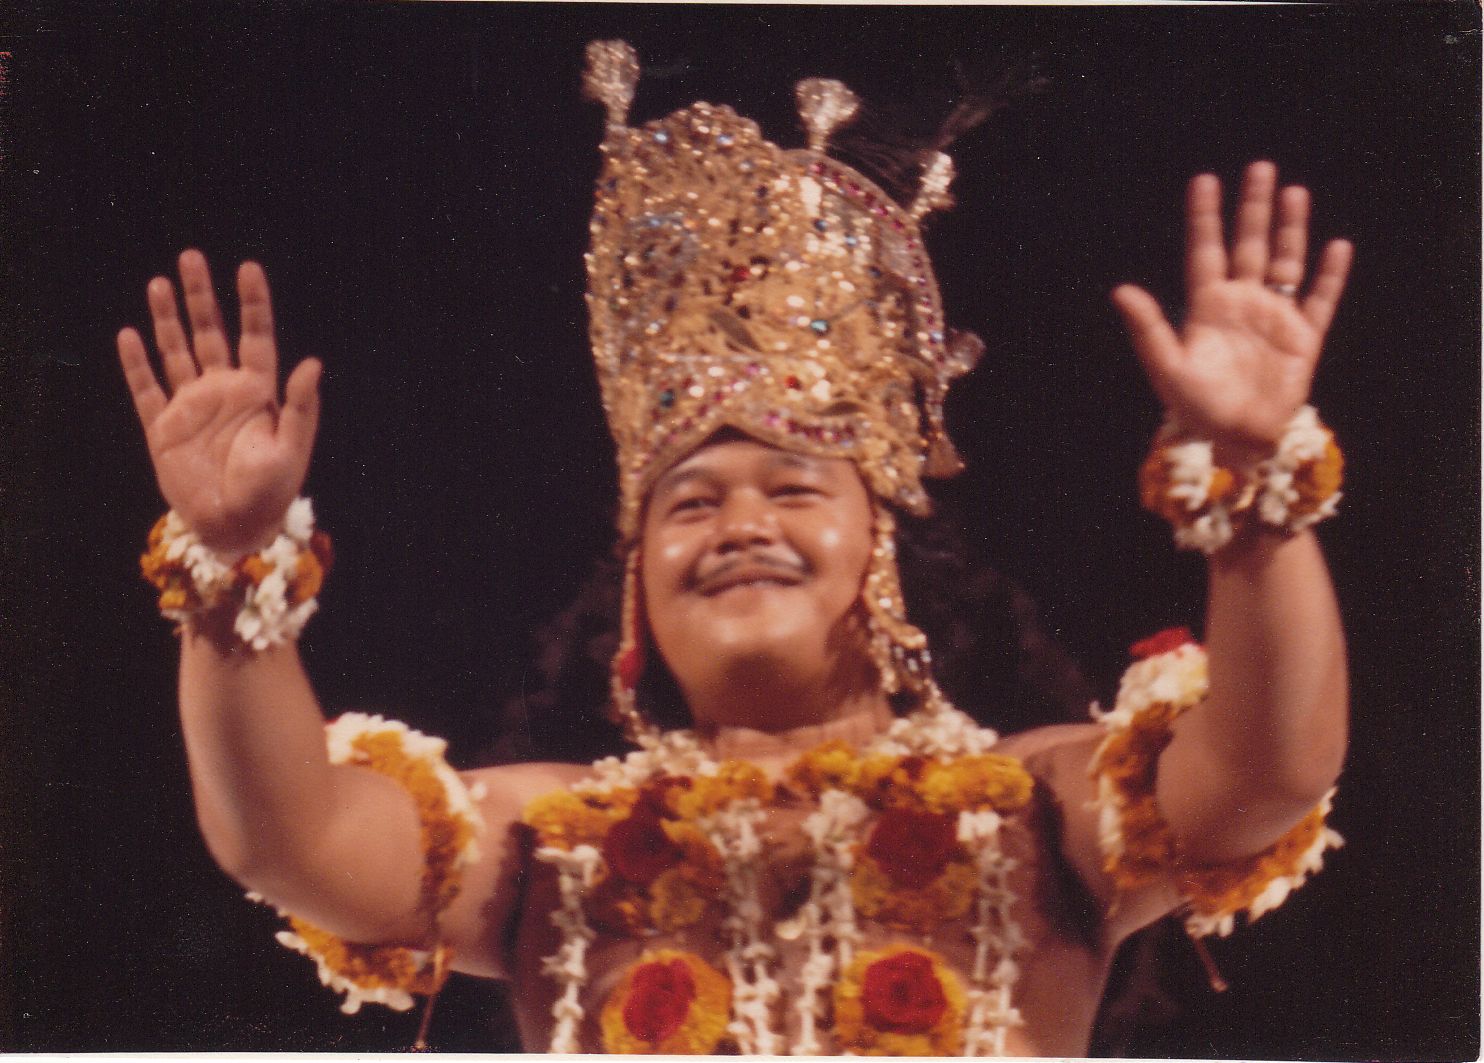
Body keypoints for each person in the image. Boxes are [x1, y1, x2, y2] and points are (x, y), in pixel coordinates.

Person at [117, 41, 1351, 1056]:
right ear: (636, 586)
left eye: (793, 486)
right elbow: (290, 841)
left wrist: (1256, 493)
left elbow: (1265, 775)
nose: (741, 524)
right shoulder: (549, 842)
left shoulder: (1032, 813)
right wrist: (230, 570)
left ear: (879, 546)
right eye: (690, 504)